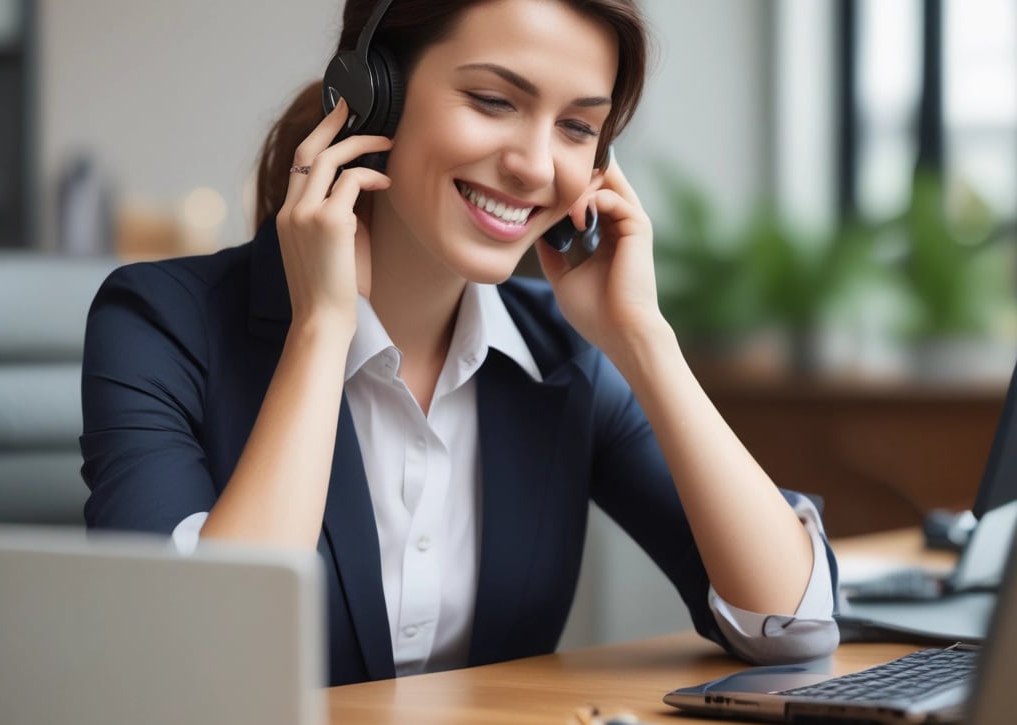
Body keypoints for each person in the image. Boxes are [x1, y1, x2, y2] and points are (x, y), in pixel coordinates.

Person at [81, 0, 839, 687]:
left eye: (577, 127)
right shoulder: (158, 324)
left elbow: (791, 624)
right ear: (371, 95)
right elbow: (194, 670)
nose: (537, 165)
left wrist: (644, 339)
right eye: (493, 101)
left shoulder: (559, 356)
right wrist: (320, 333)